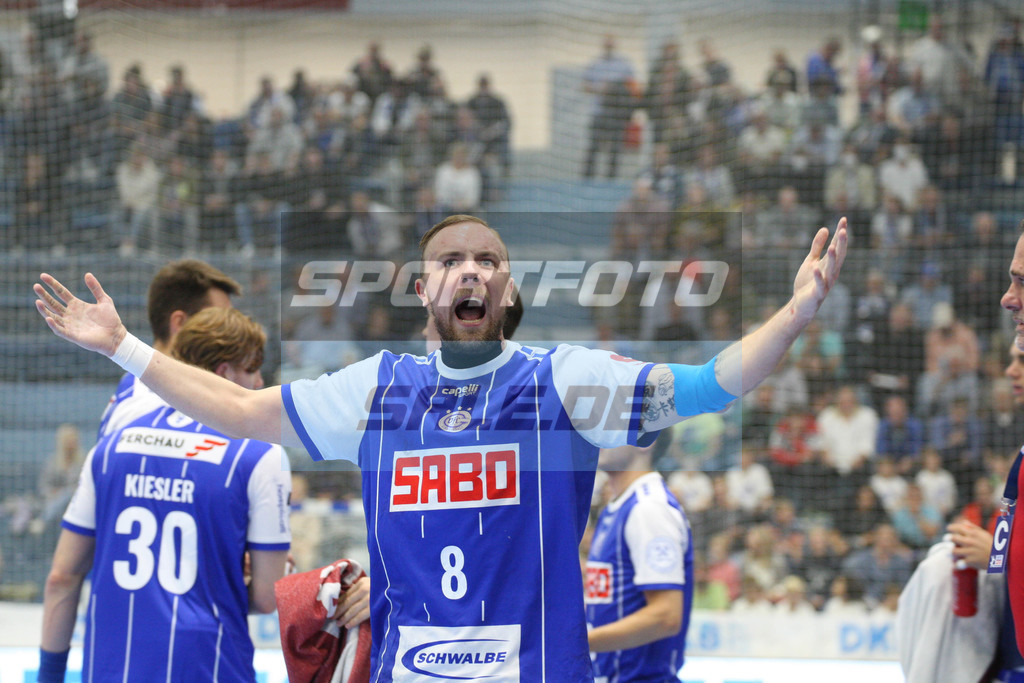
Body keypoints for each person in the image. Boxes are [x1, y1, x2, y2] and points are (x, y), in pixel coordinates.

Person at [33, 213, 847, 681]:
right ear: (424, 288)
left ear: (507, 289)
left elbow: (705, 383)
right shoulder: (377, 388)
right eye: (449, 260)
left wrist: (796, 314)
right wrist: (124, 348)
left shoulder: (561, 380)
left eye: (487, 260)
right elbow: (242, 411)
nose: (470, 271)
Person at [37, 307, 291, 683]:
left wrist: (50, 676)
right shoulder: (261, 455)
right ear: (223, 373)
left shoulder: (111, 445)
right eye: (252, 369)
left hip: (112, 669)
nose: (259, 383)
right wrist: (223, 574)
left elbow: (62, 577)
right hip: (211, 667)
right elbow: (268, 598)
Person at [96, 259, 241, 440]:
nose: (232, 331)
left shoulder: (179, 392)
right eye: (220, 321)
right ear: (180, 323)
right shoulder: (142, 407)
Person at [585, 436, 692, 681]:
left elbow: (666, 616)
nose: (598, 434)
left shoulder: (648, 508)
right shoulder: (617, 507)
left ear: (646, 439)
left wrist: (574, 642)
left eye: (612, 426)